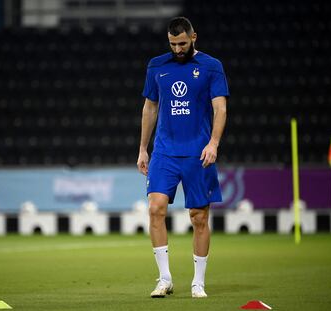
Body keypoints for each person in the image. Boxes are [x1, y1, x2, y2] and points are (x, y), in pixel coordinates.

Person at [137, 16, 229, 298]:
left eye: (182, 43)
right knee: (155, 209)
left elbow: (220, 108)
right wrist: (143, 148)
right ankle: (164, 279)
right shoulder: (157, 65)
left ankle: (198, 282)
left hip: (198, 153)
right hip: (164, 151)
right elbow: (150, 107)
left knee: (198, 217)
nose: (178, 49)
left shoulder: (212, 67)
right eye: (173, 44)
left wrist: (213, 143)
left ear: (194, 37)